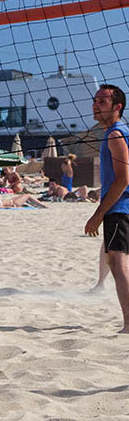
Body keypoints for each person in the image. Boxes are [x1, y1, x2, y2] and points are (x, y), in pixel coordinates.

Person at [84, 84, 129, 330]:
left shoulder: (115, 134)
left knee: (118, 263)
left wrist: (98, 214)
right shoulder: (118, 132)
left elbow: (123, 178)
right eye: (95, 100)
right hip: (121, 206)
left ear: (117, 106)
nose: (95, 104)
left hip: (120, 208)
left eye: (102, 101)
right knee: (114, 259)